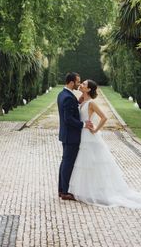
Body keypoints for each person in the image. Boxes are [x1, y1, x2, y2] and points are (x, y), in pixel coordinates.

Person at [68, 80, 141, 208]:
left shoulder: (91, 103)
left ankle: (98, 192)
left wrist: (95, 129)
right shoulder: (82, 100)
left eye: (84, 84)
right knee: (86, 163)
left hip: (90, 136)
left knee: (93, 162)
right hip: (83, 135)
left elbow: (104, 117)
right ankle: (87, 190)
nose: (81, 85)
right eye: (81, 83)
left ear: (88, 89)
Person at [57, 72, 93, 201]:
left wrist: (77, 103)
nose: (79, 84)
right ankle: (65, 192)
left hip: (66, 135)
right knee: (68, 163)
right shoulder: (67, 97)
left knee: (65, 161)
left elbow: (70, 111)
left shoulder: (62, 94)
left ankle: (61, 190)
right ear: (71, 82)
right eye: (78, 82)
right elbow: (68, 119)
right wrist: (83, 124)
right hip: (71, 136)